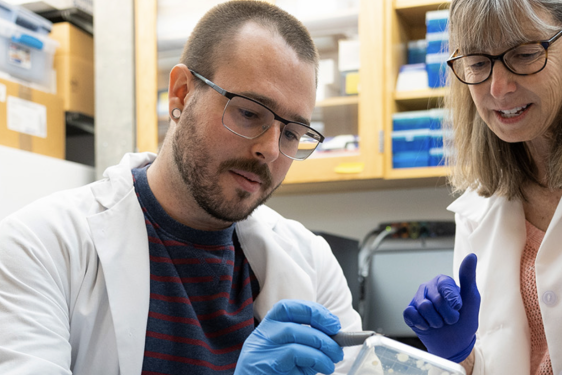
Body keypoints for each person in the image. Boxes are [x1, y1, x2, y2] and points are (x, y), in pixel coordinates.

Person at [0, 1, 362, 374]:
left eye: (291, 133)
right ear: (181, 94)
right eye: (250, 113)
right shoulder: (39, 245)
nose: (270, 150)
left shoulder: (311, 262)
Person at [402, 0, 562, 374]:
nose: (499, 87)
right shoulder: (479, 207)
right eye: (477, 63)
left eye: (523, 54)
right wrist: (460, 356)